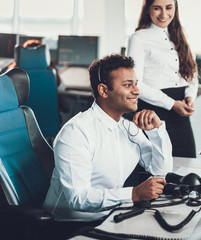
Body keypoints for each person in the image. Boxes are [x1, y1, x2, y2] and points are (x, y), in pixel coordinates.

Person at [43, 54, 173, 222]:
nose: (137, 91)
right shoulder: (76, 133)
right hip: (70, 225)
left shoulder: (128, 128)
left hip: (110, 217)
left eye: (136, 83)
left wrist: (156, 132)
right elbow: (78, 199)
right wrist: (133, 194)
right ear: (104, 90)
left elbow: (161, 172)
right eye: (128, 85)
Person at [127, 0, 199, 158]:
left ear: (175, 8)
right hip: (153, 111)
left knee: (187, 164)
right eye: (157, 8)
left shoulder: (181, 34)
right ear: (148, 10)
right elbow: (135, 83)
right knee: (157, 170)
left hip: (180, 111)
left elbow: (191, 72)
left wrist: (190, 96)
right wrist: (171, 104)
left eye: (168, 8)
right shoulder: (139, 38)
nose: (164, 14)